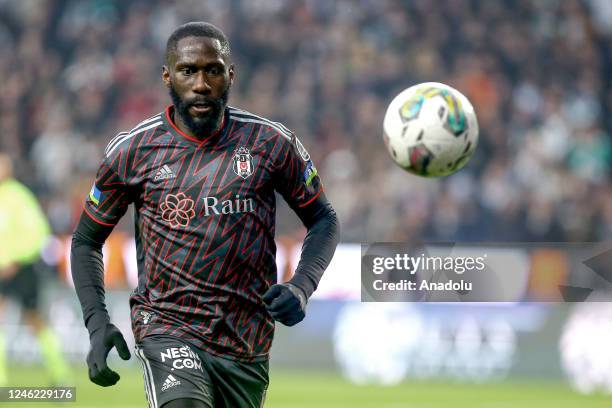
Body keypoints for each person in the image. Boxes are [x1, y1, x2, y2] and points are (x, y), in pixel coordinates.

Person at [71, 22, 339, 408]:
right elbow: (86, 241)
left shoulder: (271, 144)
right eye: (188, 71)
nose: (201, 83)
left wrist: (302, 285)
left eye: (212, 69)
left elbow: (324, 220)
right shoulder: (133, 151)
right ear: (168, 76)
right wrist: (97, 324)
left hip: (245, 342)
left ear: (230, 74)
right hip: (167, 327)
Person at [0, 153, 70, 385]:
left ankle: (59, 375)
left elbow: (37, 233)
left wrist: (16, 259)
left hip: (21, 269)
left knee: (36, 321)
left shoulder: (19, 197)